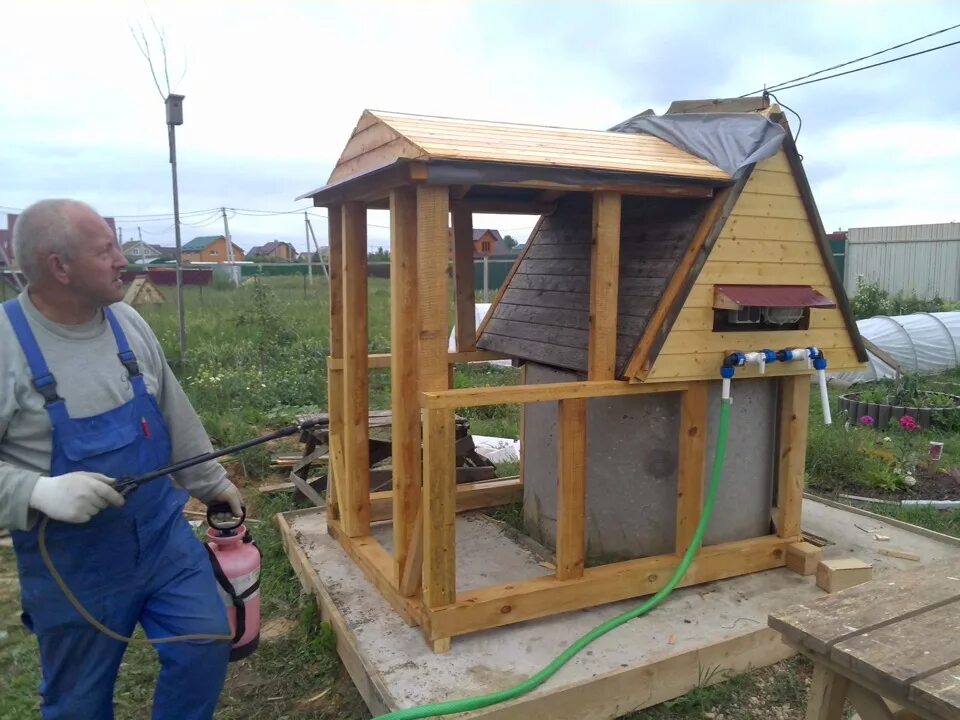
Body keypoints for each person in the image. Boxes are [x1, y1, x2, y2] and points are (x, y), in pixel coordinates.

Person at [0, 199, 244, 719]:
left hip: (161, 536)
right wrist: (37, 491)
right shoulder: (6, 347)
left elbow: (172, 412)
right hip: (73, 561)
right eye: (105, 249)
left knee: (204, 642)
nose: (122, 260)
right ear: (59, 267)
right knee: (78, 702)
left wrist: (211, 482)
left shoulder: (127, 323)